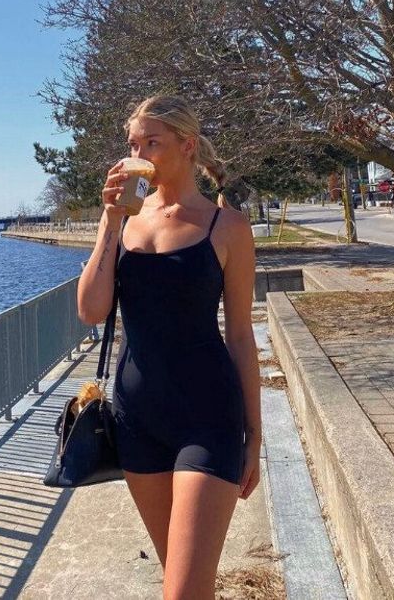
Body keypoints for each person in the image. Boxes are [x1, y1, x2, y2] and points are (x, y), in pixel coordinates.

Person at [77, 95, 261, 598]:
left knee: (182, 592)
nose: (137, 154)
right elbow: (91, 310)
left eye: (151, 142)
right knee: (181, 581)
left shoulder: (228, 228)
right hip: (138, 419)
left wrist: (255, 435)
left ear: (187, 145)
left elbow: (241, 335)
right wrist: (111, 221)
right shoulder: (122, 221)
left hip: (209, 418)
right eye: (132, 144)